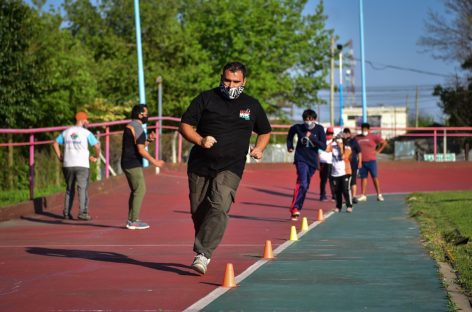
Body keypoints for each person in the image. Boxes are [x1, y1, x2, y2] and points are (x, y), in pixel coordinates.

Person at [179, 62, 272, 275]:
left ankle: (203, 254)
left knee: (219, 205)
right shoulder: (206, 98)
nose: (231, 86)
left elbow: (265, 131)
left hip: (231, 166)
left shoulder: (252, 105)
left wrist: (259, 148)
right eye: (227, 81)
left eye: (236, 82)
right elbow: (184, 125)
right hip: (200, 164)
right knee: (199, 211)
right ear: (221, 78)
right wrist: (201, 140)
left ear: (244, 82)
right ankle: (205, 241)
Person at [121, 104, 165, 230]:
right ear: (140, 114)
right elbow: (140, 150)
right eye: (146, 113)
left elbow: (138, 145)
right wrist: (154, 161)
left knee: (136, 190)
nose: (147, 116)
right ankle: (133, 220)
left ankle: (131, 219)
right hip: (132, 163)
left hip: (127, 162)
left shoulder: (132, 125)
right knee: (140, 190)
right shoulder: (138, 127)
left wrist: (149, 140)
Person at [53, 112, 100, 220]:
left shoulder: (66, 132)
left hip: (68, 164)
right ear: (83, 120)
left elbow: (55, 143)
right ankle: (83, 213)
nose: (87, 122)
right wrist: (96, 156)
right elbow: (97, 146)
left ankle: (66, 213)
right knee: (82, 188)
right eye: (86, 120)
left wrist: (60, 156)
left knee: (69, 189)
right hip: (82, 164)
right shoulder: (86, 132)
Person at [286, 109, 326, 221]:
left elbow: (323, 146)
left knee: (305, 185)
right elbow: (290, 134)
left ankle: (297, 207)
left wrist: (312, 137)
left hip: (312, 161)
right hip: (301, 158)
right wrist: (290, 146)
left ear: (314, 119)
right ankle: (295, 208)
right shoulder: (298, 127)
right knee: (302, 182)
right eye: (306, 119)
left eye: (311, 119)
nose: (308, 121)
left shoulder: (319, 129)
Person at [355, 122, 387, 202]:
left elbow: (384, 142)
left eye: (365, 129)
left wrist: (378, 151)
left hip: (371, 160)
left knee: (374, 177)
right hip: (362, 161)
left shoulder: (373, 136)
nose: (364, 131)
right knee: (363, 178)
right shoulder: (357, 138)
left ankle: (379, 194)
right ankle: (363, 195)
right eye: (362, 129)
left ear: (368, 129)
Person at [327, 134, 353, 212]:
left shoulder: (347, 148)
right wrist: (332, 141)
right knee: (337, 191)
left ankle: (349, 206)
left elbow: (342, 157)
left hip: (345, 172)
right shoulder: (333, 147)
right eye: (337, 139)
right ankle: (338, 207)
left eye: (340, 139)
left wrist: (341, 147)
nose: (338, 140)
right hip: (335, 173)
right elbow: (326, 149)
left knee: (345, 189)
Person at [343, 128, 362, 203]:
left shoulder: (354, 142)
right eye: (345, 133)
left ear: (350, 134)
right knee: (345, 182)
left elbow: (359, 152)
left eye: (348, 133)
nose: (346, 134)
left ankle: (353, 196)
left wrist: (360, 162)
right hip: (344, 165)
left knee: (353, 181)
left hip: (353, 164)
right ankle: (347, 197)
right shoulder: (342, 141)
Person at [318, 126, 335, 201]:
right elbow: (318, 151)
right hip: (323, 162)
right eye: (328, 133)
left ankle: (334, 195)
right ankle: (322, 195)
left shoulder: (335, 142)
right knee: (323, 180)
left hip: (332, 163)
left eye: (331, 134)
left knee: (333, 180)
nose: (329, 135)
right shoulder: (322, 141)